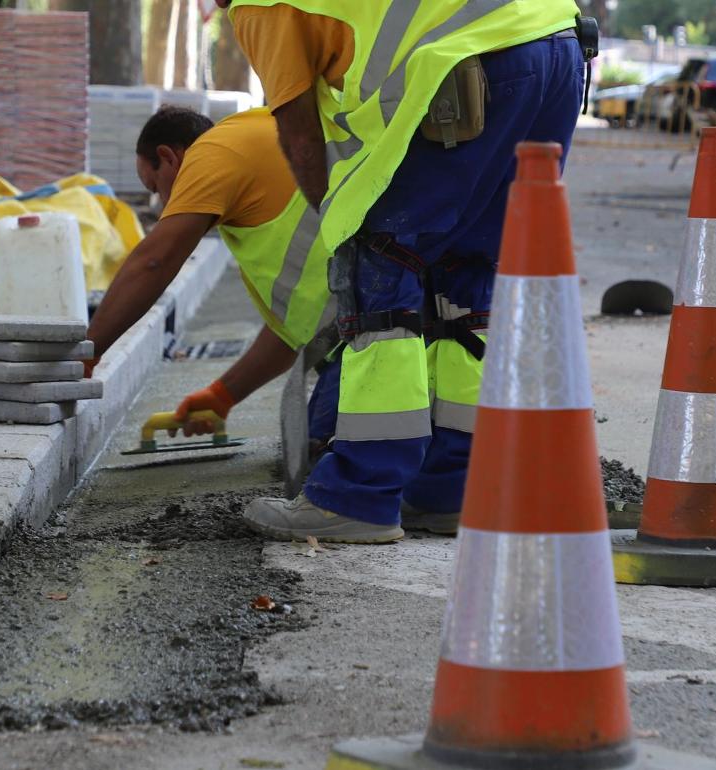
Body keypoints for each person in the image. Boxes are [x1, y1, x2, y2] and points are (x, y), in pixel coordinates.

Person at [219, 0, 588, 541]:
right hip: (559, 44)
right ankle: (452, 488)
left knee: (382, 267)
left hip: (476, 62)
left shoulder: (259, 6)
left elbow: (300, 137)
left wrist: (347, 231)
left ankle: (358, 495)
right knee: (467, 272)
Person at [85, 106, 336, 451]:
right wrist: (222, 395)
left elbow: (154, 261)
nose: (160, 205)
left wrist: (89, 350)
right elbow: (289, 330)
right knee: (315, 448)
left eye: (155, 186)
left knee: (329, 458)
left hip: (374, 338)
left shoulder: (213, 152)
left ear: (169, 158)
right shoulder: (249, 155)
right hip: (361, 333)